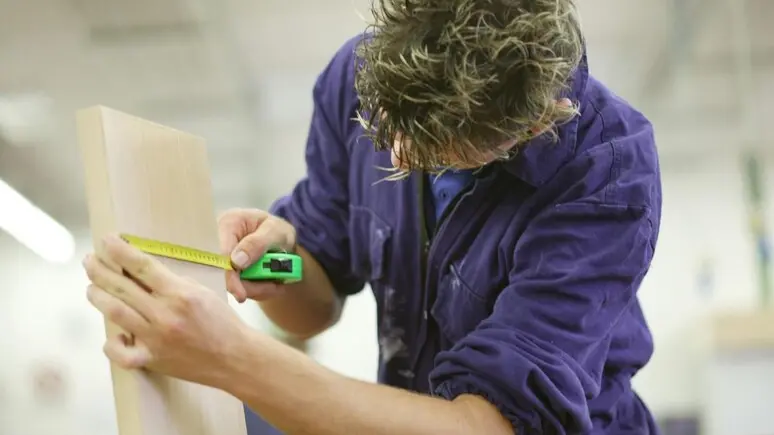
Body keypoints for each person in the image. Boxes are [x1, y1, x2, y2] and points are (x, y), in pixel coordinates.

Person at [81, 1, 663, 433]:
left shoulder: (607, 171)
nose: (401, 156)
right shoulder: (356, 77)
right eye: (385, 127)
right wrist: (275, 264)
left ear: (534, 127)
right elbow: (318, 298)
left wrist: (230, 356)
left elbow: (487, 427)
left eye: (439, 147)